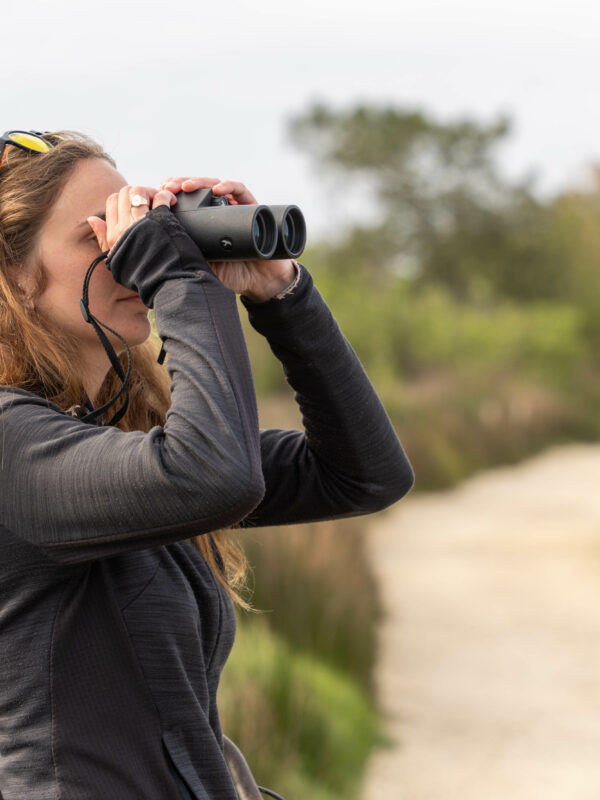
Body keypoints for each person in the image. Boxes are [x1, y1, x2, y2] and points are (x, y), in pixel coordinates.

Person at [0, 130, 414, 800]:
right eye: (97, 236)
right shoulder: (10, 444)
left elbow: (363, 475)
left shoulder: (118, 434)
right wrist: (177, 277)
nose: (127, 258)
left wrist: (281, 297)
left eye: (132, 230)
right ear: (14, 272)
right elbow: (215, 475)